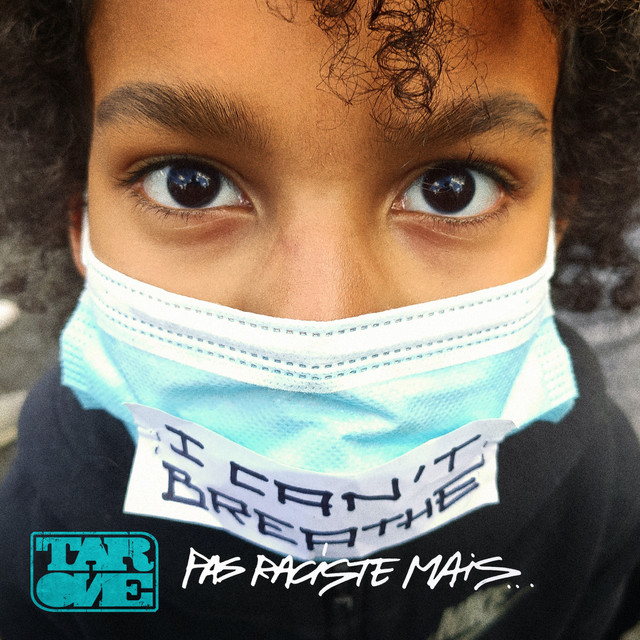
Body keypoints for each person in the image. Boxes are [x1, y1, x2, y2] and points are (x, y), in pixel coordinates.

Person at [1, 1, 639, 638]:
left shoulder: (597, 493)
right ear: (79, 219)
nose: (321, 324)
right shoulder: (50, 540)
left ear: (556, 220)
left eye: (452, 188)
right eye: (190, 184)